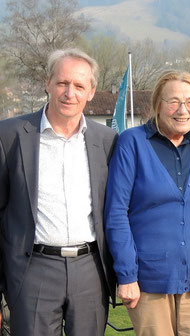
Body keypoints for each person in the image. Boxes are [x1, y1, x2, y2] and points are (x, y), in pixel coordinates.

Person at [0, 48, 117, 335]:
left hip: (91, 270)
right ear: (47, 83)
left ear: (91, 92)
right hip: (32, 269)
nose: (69, 93)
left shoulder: (108, 141)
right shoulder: (9, 136)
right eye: (62, 83)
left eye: (79, 86)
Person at [104, 70, 190, 336]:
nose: (183, 110)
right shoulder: (132, 143)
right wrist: (127, 275)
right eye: (173, 101)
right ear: (157, 106)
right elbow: (116, 213)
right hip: (148, 283)